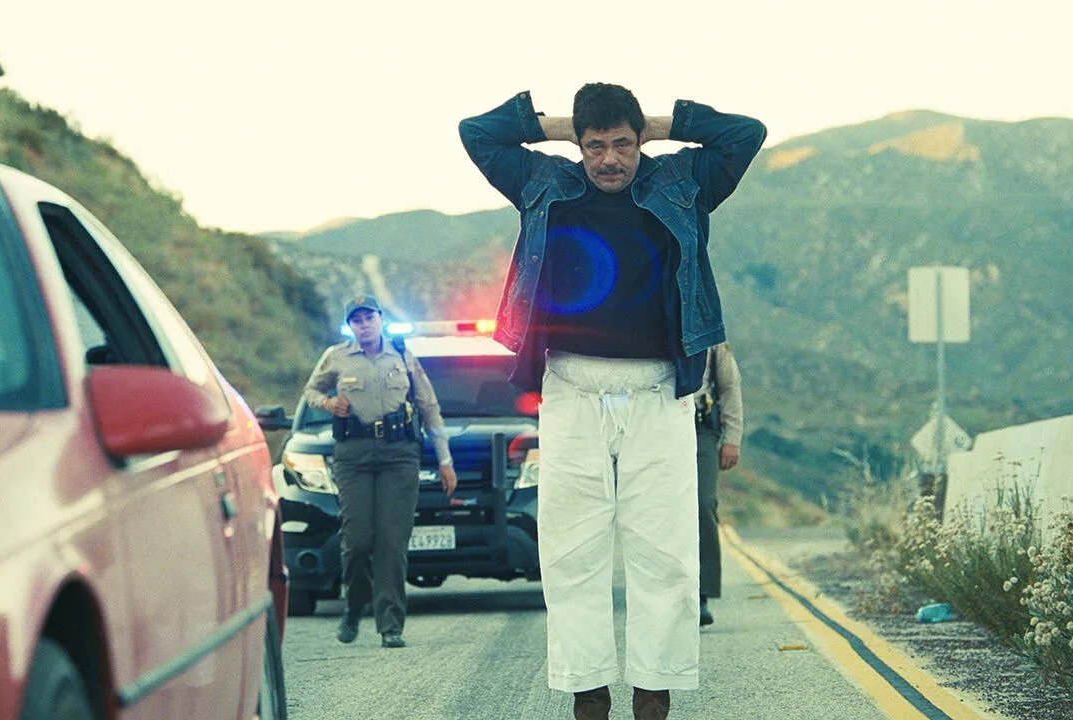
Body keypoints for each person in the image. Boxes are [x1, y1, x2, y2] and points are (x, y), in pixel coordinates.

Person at [459, 85, 764, 720]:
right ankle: (588, 696)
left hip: (660, 392)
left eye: (622, 144)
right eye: (595, 146)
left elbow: (746, 133)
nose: (608, 161)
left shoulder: (684, 181)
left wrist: (663, 123)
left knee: (666, 553)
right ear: (578, 146)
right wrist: (561, 126)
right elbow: (476, 132)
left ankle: (654, 695)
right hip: (570, 389)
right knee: (572, 551)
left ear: (639, 143)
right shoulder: (544, 181)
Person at [301, 294, 458, 649]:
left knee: (392, 540)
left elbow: (429, 408)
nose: (364, 324)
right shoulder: (336, 357)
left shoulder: (402, 356)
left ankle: (390, 625)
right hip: (353, 455)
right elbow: (311, 390)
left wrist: (445, 460)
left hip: (399, 455)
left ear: (380, 319)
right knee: (357, 540)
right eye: (357, 320)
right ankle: (354, 605)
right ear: (351, 326)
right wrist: (327, 402)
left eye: (369, 317)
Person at [691, 342, 743, 627]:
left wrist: (732, 438)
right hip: (655, 425)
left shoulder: (708, 325)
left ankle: (701, 593)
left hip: (699, 428)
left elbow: (729, 386)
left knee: (702, 504)